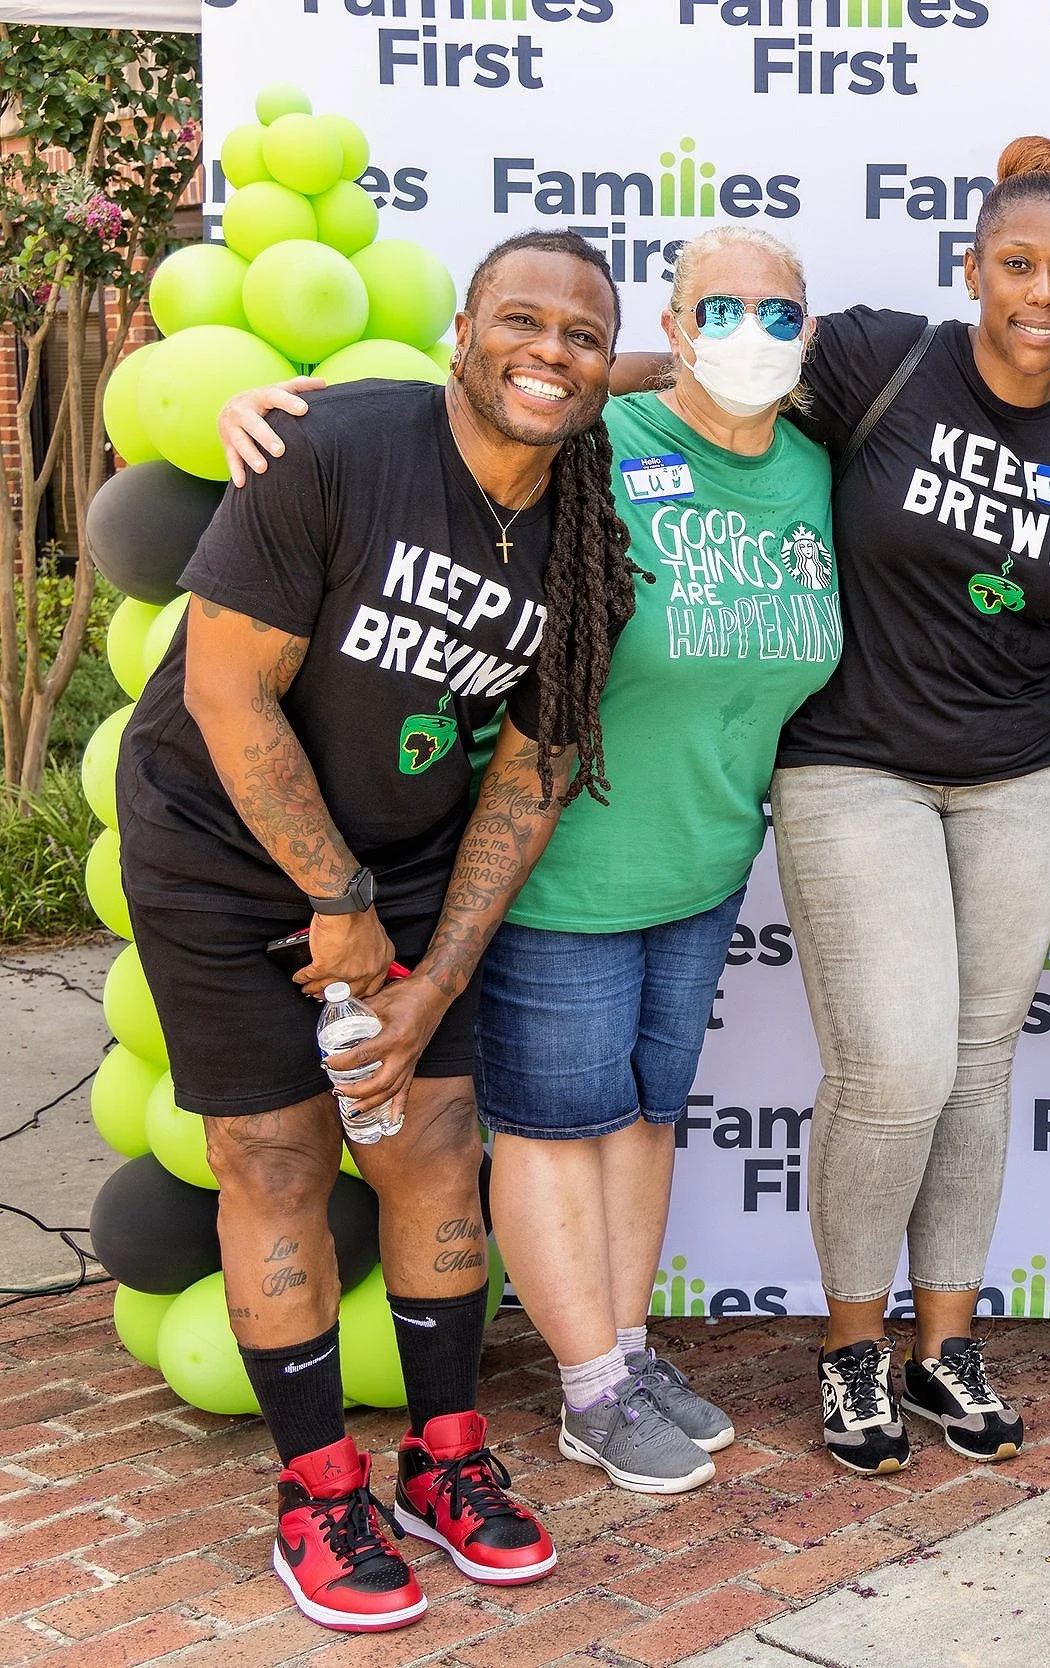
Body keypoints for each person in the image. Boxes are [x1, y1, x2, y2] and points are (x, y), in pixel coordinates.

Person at [222, 224, 843, 1496]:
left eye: (778, 317)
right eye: (715, 312)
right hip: (557, 865)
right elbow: (500, 395)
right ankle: (585, 1385)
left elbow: (563, 364)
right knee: (559, 1127)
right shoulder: (604, 445)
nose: (748, 339)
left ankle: (621, 1347)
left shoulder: (815, 465)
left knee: (645, 1120)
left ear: (811, 335)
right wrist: (298, 405)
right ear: (671, 333)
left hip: (705, 859)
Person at [115, 229, 638, 1632]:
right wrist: (334, 911)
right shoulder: (338, 450)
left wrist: (429, 978)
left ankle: (444, 1461)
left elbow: (530, 774)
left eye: (581, 337)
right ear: (460, 332)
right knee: (275, 1153)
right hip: (217, 843)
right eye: (519, 321)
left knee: (435, 1145)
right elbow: (229, 698)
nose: (550, 351)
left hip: (403, 862)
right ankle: (318, 1490)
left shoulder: (582, 538)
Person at [731, 138, 1050, 1475]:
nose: (1042, 289)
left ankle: (942, 1347)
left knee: (975, 1065)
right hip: (853, 763)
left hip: (1023, 781)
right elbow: (711, 380)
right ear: (971, 269)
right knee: (893, 1067)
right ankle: (852, 1346)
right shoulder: (880, 360)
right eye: (1016, 263)